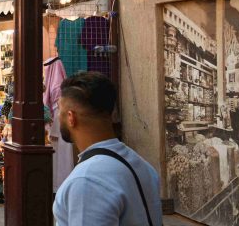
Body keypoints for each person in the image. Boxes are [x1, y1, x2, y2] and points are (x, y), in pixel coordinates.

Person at [53, 72, 161, 225]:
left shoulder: (87, 180)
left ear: (71, 117)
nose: (58, 117)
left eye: (59, 110)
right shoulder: (143, 166)